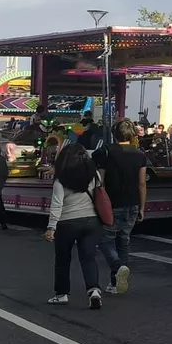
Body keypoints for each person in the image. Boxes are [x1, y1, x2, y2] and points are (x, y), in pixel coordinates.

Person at [45, 143, 105, 309]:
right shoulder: (94, 175)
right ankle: (94, 290)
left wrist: (51, 227)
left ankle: (62, 294)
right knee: (88, 258)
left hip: (67, 222)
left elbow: (57, 204)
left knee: (63, 259)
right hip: (91, 220)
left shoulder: (61, 179)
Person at [95, 119, 149, 295]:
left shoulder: (106, 152)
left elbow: (100, 181)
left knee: (104, 240)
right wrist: (142, 207)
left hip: (112, 203)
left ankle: (118, 267)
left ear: (114, 134)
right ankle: (116, 284)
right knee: (123, 241)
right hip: (132, 203)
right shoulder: (140, 155)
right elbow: (142, 183)